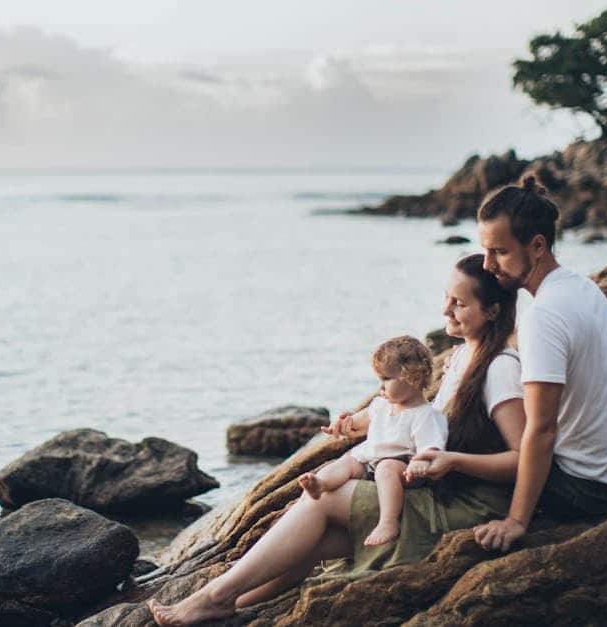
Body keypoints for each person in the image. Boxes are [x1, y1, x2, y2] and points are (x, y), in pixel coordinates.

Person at [148, 254, 525, 626]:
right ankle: (237, 603)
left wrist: (454, 462)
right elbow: (418, 419)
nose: (445, 310)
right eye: (446, 297)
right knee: (320, 537)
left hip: (468, 504)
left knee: (323, 499)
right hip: (438, 488)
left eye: (459, 303)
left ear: (491, 311)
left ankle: (213, 596)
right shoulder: (461, 357)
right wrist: (364, 425)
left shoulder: (500, 369)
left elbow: (525, 461)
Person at [470, 175, 607, 553]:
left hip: (594, 488)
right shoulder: (579, 285)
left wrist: (516, 521)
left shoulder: (542, 316)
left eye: (500, 252)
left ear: (537, 245)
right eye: (485, 250)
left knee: (476, 437)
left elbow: (542, 431)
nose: (487, 264)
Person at [296, 336, 447, 548]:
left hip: (403, 468)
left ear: (413, 378)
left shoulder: (425, 414)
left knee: (386, 468)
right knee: (346, 462)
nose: (380, 387)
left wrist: (421, 462)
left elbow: (431, 445)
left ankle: (388, 522)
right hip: (370, 462)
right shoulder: (381, 404)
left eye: (386, 379)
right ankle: (321, 485)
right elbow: (357, 422)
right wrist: (341, 426)